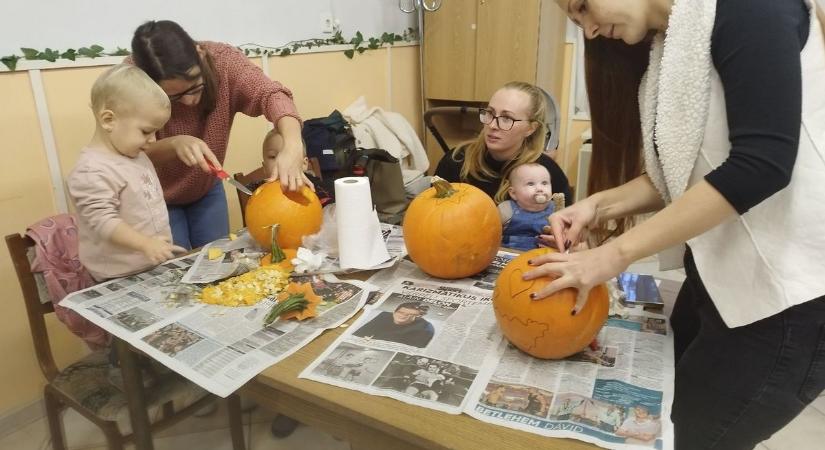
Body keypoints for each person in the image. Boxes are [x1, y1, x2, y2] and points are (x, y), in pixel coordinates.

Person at [528, 1, 825, 448]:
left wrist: (611, 255)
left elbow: (760, 165)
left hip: (792, 296)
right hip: (721, 277)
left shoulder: (751, 9)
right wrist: (598, 206)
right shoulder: (671, 48)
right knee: (668, 417)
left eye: (583, 7)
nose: (588, 31)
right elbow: (684, 172)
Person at [129, 20, 309, 249]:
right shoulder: (131, 82)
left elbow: (271, 94)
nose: (189, 101)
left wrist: (292, 145)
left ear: (200, 54)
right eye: (172, 97)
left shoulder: (223, 62)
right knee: (177, 268)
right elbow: (132, 153)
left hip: (206, 188)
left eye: (195, 86)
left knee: (216, 260)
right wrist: (174, 144)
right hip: (154, 197)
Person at [67, 64, 185, 282]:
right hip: (115, 275)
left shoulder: (135, 154)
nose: (153, 140)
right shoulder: (92, 169)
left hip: (148, 266)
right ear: (108, 120)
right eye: (146, 131)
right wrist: (145, 244)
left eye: (156, 132)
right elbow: (103, 221)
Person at [434, 81, 572, 205]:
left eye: (507, 118)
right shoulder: (455, 161)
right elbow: (432, 213)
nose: (493, 125)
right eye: (490, 113)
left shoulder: (547, 172)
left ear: (530, 128)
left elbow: (566, 222)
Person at [497, 163, 559, 251]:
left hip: (543, 256)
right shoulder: (506, 209)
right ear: (513, 193)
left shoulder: (556, 209)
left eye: (544, 183)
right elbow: (491, 232)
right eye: (530, 184)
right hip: (509, 255)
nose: (539, 188)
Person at [352, 302, 435, 348]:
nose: (403, 316)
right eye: (401, 312)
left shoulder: (425, 327)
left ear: (418, 317)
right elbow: (360, 334)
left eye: (410, 315)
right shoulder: (384, 315)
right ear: (395, 311)